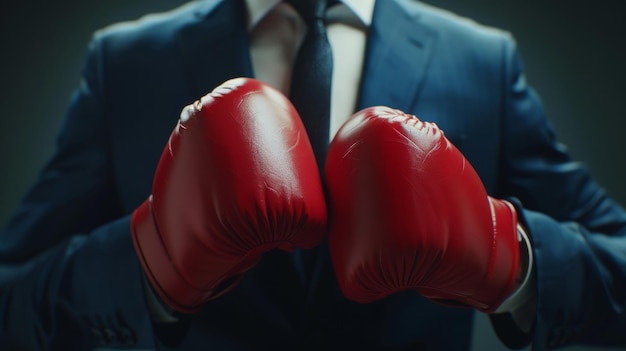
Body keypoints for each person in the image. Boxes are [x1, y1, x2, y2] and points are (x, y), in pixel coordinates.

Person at [1, 0, 625, 350]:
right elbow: (11, 296)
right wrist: (152, 263)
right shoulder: (128, 60)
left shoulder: (481, 59)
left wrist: (505, 256)